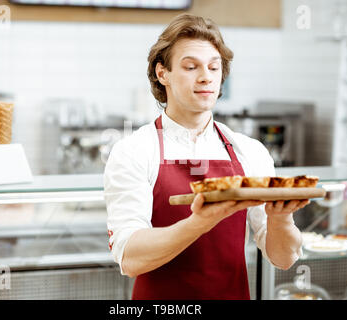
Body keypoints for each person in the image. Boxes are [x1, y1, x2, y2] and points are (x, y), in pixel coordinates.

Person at [103, 13, 309, 300]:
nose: (206, 77)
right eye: (191, 67)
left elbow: (284, 258)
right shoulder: (135, 150)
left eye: (214, 68)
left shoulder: (248, 151)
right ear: (163, 74)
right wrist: (198, 223)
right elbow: (130, 257)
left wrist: (281, 219)